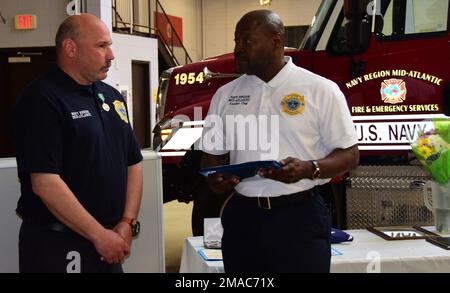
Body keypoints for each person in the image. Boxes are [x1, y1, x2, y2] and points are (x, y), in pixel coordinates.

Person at [199, 10, 359, 273]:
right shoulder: (224, 95)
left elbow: (350, 155)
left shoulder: (320, 90)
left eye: (246, 42)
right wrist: (215, 179)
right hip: (243, 219)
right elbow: (211, 159)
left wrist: (309, 168)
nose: (237, 49)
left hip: (300, 216)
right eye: (235, 41)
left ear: (276, 41)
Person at [12, 13, 143, 273]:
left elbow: (133, 163)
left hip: (109, 242)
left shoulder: (111, 96)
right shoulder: (41, 99)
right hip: (58, 246)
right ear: (70, 48)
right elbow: (45, 182)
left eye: (110, 45)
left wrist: (127, 222)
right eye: (101, 46)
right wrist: (99, 236)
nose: (111, 55)